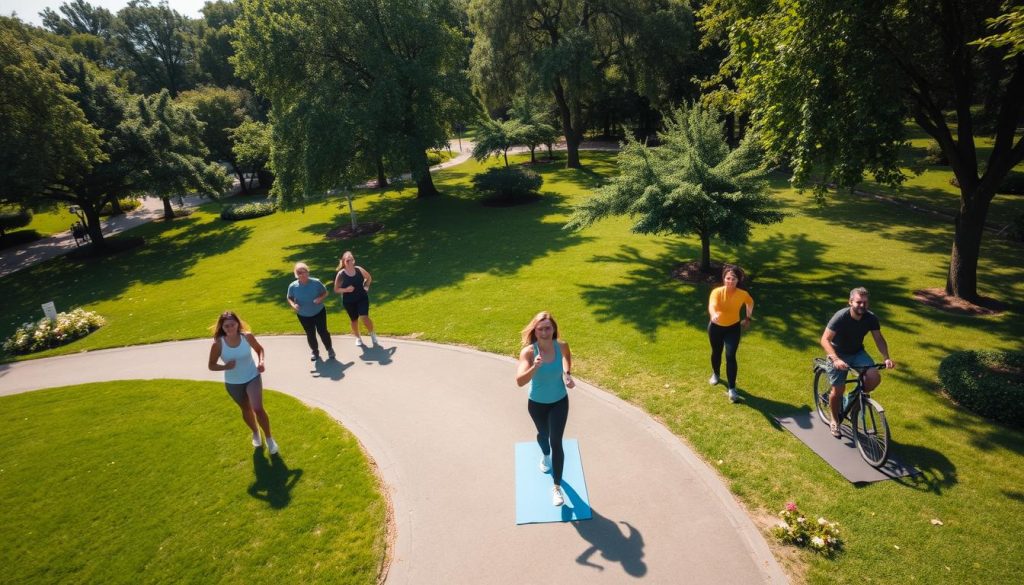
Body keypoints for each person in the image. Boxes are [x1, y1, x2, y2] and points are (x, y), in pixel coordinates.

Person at [515, 311, 575, 507]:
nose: (544, 332)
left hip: (559, 401)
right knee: (544, 434)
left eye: (548, 328)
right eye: (540, 329)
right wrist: (535, 367)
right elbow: (520, 381)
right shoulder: (529, 352)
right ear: (535, 331)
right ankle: (545, 454)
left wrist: (567, 373)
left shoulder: (561, 345)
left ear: (554, 329)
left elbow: (567, 356)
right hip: (537, 404)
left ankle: (556, 488)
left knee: (556, 441)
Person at [819, 287, 896, 438]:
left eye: (865, 302)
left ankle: (852, 400)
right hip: (838, 354)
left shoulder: (870, 318)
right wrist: (835, 359)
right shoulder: (841, 317)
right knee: (837, 391)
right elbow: (825, 339)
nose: (862, 305)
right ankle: (835, 420)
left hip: (857, 352)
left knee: (874, 377)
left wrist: (886, 357)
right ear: (850, 302)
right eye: (858, 302)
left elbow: (878, 338)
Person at [208, 311, 278, 454]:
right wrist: (225, 367)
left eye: (232, 325)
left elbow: (259, 350)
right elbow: (211, 365)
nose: (230, 328)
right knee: (246, 409)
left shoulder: (247, 337)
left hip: (252, 376)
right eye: (226, 326)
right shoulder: (218, 344)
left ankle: (270, 439)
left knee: (257, 408)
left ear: (238, 324)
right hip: (233, 383)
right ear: (221, 327)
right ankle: (255, 432)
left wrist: (261, 362)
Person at [707, 265, 754, 403]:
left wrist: (748, 317)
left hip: (733, 328)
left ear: (738, 280)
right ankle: (716, 374)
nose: (730, 281)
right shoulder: (717, 291)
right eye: (728, 278)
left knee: (730, 356)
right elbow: (712, 304)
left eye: (733, 279)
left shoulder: (742, 294)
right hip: (715, 327)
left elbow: (750, 303)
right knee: (716, 352)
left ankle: (732, 389)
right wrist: (714, 314)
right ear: (724, 279)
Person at [286, 262, 335, 361]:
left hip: (319, 312)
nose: (302, 274)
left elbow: (325, 292)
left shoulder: (316, 282)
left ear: (308, 272)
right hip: (303, 315)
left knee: (323, 331)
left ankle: (329, 349)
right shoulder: (293, 286)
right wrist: (293, 305)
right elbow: (289, 297)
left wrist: (320, 298)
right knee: (310, 333)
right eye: (299, 273)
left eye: (304, 272)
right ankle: (315, 351)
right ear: (296, 274)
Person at [333, 250, 378, 347]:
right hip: (349, 301)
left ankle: (372, 334)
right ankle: (358, 338)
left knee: (364, 317)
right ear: (344, 262)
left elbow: (369, 278)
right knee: (354, 320)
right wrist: (346, 289)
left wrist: (366, 286)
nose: (350, 262)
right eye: (347, 260)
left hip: (362, 297)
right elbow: (336, 289)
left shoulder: (358, 269)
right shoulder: (341, 274)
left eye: (351, 260)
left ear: (354, 260)